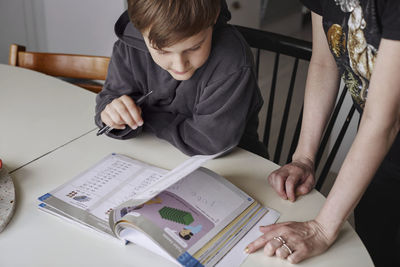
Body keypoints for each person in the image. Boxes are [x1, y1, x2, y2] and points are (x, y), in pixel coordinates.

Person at [245, 0, 400, 266]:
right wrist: (303, 158)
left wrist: (322, 228)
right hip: (384, 154)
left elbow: (384, 121)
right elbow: (323, 64)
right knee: (377, 247)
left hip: (384, 131)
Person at [95, 0, 268, 158]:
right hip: (158, 156)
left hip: (234, 163)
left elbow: (209, 142)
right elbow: (110, 98)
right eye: (162, 51)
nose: (180, 66)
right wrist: (112, 114)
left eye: (194, 47)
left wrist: (144, 116)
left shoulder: (232, 60)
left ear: (214, 17)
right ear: (140, 31)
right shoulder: (128, 45)